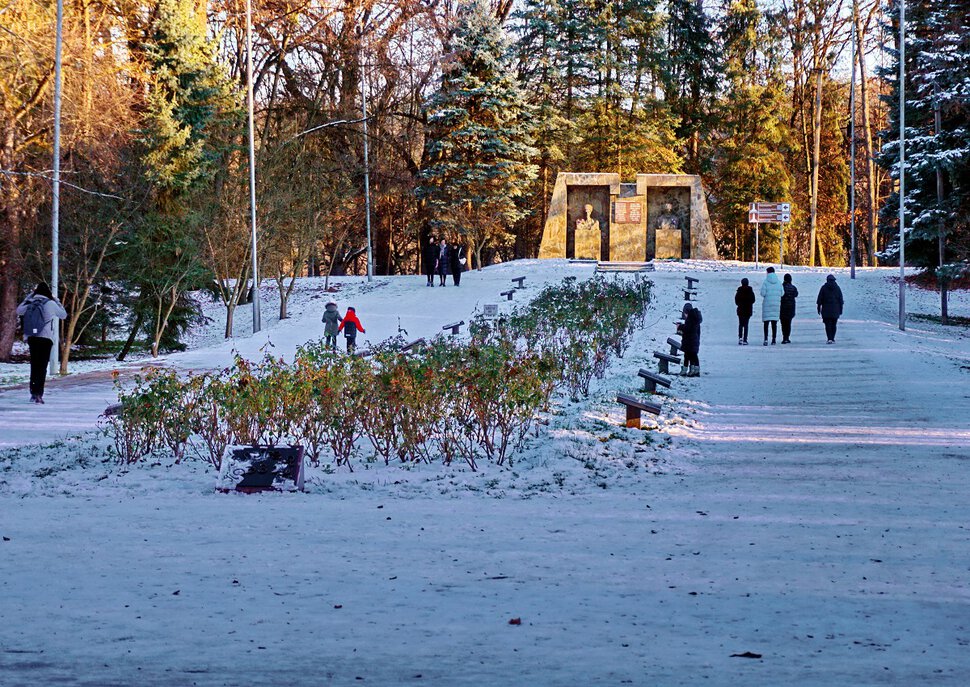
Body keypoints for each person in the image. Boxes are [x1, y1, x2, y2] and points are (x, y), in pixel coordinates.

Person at [16, 283, 67, 404]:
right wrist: (57, 301)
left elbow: (18, 311)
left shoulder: (30, 303)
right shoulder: (51, 303)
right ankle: (39, 393)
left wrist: (28, 298)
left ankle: (33, 392)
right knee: (42, 367)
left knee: (34, 365)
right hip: (46, 338)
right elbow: (63, 315)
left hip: (32, 338)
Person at [816, 274, 844, 344]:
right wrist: (841, 310)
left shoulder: (823, 288)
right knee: (834, 324)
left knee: (827, 324)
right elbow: (840, 300)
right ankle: (833, 338)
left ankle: (829, 338)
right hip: (835, 309)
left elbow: (820, 299)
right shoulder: (837, 288)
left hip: (826, 309)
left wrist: (819, 308)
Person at [760, 266, 783, 346]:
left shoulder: (765, 282)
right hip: (776, 305)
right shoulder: (779, 282)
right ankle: (774, 339)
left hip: (767, 304)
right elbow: (782, 293)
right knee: (774, 324)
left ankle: (766, 339)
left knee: (766, 323)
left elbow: (763, 293)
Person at [679, 303, 702, 377]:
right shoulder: (696, 319)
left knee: (689, 355)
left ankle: (687, 370)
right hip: (694, 340)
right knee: (692, 355)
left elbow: (687, 329)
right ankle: (694, 370)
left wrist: (680, 327)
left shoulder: (690, 319)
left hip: (689, 341)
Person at [734, 278, 755, 345]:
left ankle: (740, 337)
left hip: (740, 309)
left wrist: (739, 304)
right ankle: (745, 339)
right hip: (748, 309)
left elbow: (736, 300)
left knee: (740, 324)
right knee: (746, 324)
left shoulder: (739, 290)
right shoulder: (750, 290)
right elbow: (753, 300)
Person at [779, 273, 799, 344]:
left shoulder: (781, 287)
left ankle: (784, 337)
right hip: (791, 308)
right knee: (788, 323)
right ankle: (787, 337)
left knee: (783, 323)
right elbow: (796, 294)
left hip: (782, 307)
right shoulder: (793, 287)